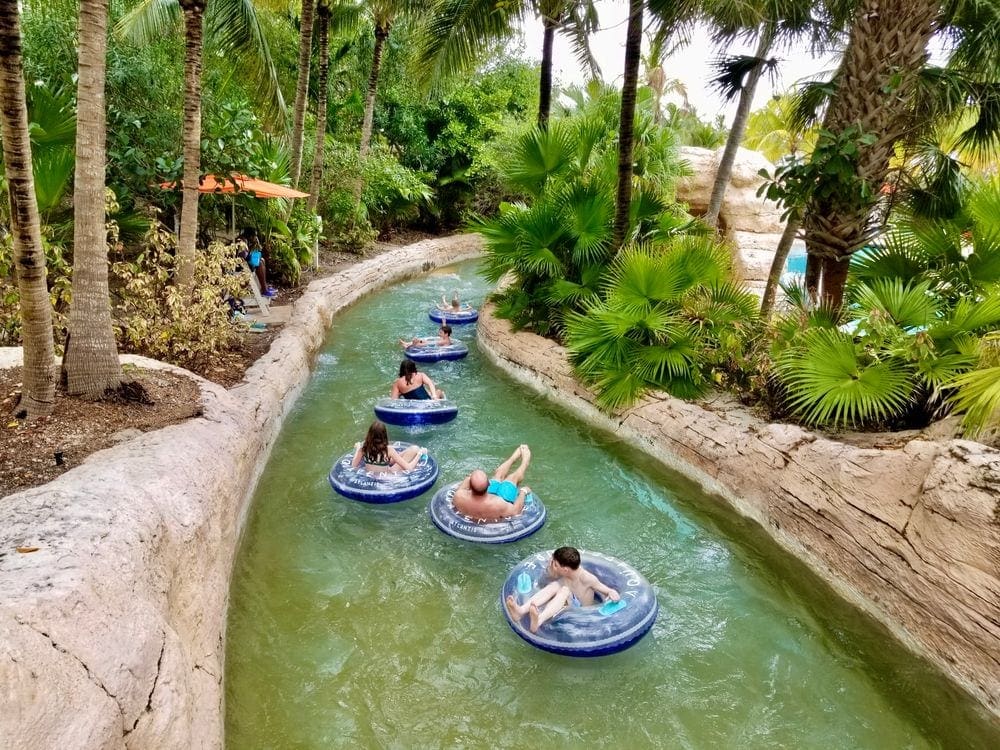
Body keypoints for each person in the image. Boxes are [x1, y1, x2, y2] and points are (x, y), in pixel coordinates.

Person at [505, 546, 621, 633]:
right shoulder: (564, 574)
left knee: (564, 590)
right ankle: (520, 611)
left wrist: (613, 593)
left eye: (555, 564)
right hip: (565, 603)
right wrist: (551, 571)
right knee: (555, 585)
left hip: (580, 612)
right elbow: (542, 584)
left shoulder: (587, 578)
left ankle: (539, 620)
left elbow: (607, 590)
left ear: (565, 569)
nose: (553, 565)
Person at [451, 444, 532, 523]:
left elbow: (464, 484)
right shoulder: (499, 504)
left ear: (470, 487)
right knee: (512, 478)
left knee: (498, 476)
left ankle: (512, 458)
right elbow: (515, 511)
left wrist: (470, 478)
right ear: (489, 484)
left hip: (481, 500)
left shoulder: (459, 496)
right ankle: (525, 463)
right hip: (495, 503)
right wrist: (523, 492)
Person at [350, 421, 427, 472]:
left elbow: (353, 466)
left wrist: (358, 448)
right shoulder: (388, 450)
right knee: (415, 449)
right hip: (388, 478)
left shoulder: (363, 448)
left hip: (371, 476)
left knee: (405, 452)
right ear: (384, 435)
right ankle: (417, 451)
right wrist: (420, 454)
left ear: (369, 434)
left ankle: (400, 456)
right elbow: (409, 468)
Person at [238, 233, 276, 298]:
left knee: (262, 260)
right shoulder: (242, 242)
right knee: (260, 263)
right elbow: (243, 256)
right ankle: (264, 290)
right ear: (250, 236)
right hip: (241, 266)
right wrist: (251, 256)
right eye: (254, 236)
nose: (255, 237)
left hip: (244, 264)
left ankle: (265, 287)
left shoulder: (247, 241)